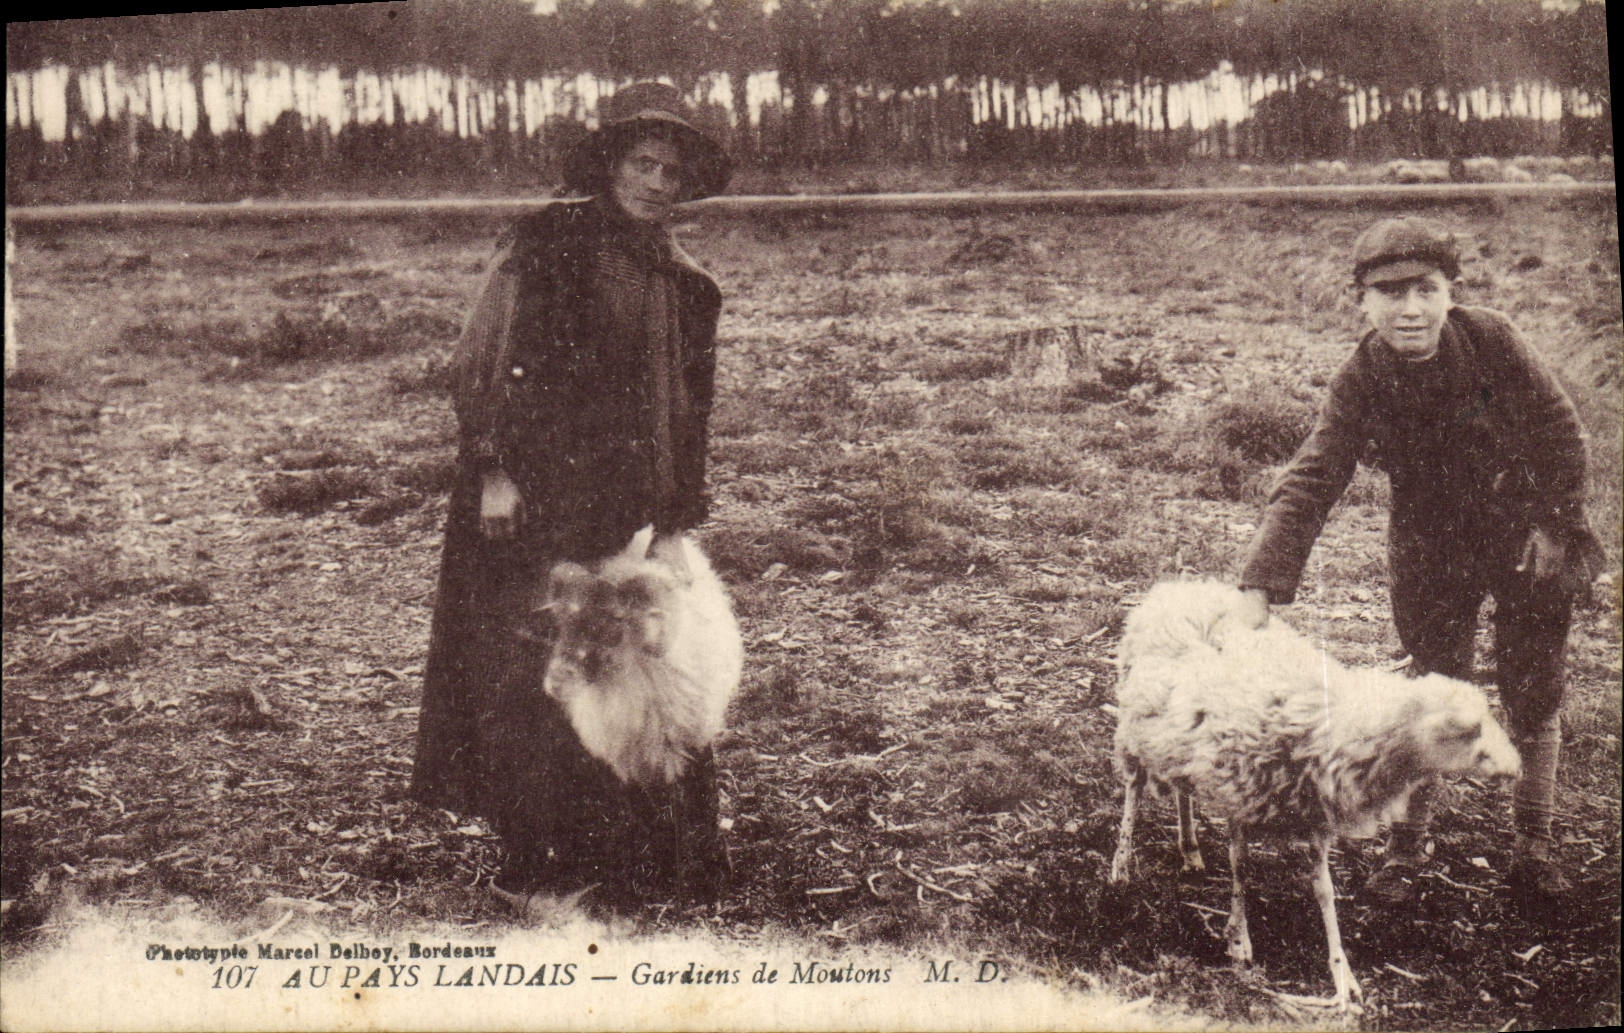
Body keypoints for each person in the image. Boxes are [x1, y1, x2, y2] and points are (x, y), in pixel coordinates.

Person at [411, 82, 734, 909]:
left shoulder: (689, 284)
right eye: (642, 162)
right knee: (530, 666)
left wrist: (673, 518)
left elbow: (689, 412)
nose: (657, 182)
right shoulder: (548, 242)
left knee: (624, 662)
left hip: (625, 502)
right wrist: (490, 467)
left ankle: (634, 846)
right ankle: (533, 854)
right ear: (609, 162)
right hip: (527, 491)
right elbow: (483, 357)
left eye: (673, 170)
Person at [1235, 216, 1604, 906]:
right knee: (1434, 686)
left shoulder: (1492, 340)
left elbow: (1562, 432)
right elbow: (1314, 474)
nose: (1410, 309)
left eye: (1426, 290)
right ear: (1362, 302)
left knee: (1533, 689)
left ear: (1449, 293)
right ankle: (1406, 850)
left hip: (1526, 530)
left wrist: (1556, 525)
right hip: (1431, 541)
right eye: (1390, 292)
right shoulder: (1361, 377)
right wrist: (1260, 582)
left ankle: (1533, 847)